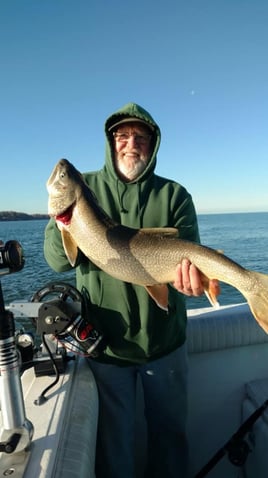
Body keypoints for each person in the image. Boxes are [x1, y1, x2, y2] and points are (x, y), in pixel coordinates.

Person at [44, 102, 210, 478]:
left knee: (171, 440)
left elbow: (191, 267)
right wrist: (62, 222)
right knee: (113, 445)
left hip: (165, 344)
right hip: (107, 350)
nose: (130, 143)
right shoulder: (85, 190)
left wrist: (191, 283)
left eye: (140, 136)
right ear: (110, 141)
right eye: (122, 135)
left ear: (153, 144)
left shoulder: (175, 196)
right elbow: (58, 261)